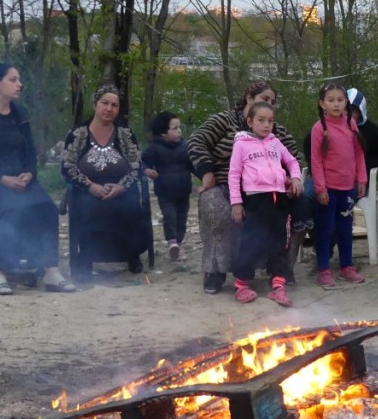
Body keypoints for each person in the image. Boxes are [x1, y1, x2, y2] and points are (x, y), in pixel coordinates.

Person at [0, 63, 75, 295]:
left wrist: (29, 173)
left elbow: (30, 152)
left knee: (47, 208)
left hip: (20, 179)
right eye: (13, 79)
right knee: (12, 208)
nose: (19, 84)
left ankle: (50, 271)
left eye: (19, 79)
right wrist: (2, 179)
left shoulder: (20, 115)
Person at [188, 81, 302, 295]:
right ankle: (216, 270)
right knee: (214, 206)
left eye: (272, 102)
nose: (269, 105)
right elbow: (196, 141)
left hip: (270, 190)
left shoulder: (276, 133)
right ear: (249, 98)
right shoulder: (225, 121)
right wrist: (206, 172)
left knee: (300, 205)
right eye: (264, 99)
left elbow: (295, 158)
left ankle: (280, 268)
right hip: (224, 185)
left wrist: (290, 178)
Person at [61, 83, 150, 281]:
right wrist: (89, 185)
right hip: (86, 188)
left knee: (131, 208)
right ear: (95, 105)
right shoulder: (78, 134)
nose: (109, 109)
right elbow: (67, 166)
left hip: (121, 187)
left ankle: (131, 254)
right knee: (89, 207)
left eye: (114, 105)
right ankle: (86, 256)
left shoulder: (125, 135)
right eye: (105, 103)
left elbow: (137, 165)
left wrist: (122, 186)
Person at [228, 102, 303, 307]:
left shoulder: (275, 142)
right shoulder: (241, 145)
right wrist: (236, 202)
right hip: (255, 199)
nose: (266, 125)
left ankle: (278, 284)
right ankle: (242, 284)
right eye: (261, 120)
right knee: (251, 241)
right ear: (250, 121)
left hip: (279, 197)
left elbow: (292, 162)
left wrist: (295, 178)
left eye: (270, 121)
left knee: (280, 241)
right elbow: (234, 174)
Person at [310, 82, 368, 288]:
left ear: (347, 103)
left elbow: (359, 154)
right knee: (325, 229)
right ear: (322, 103)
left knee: (345, 228)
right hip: (328, 189)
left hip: (348, 188)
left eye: (340, 100)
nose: (336, 104)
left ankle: (346, 267)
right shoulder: (319, 128)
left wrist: (362, 179)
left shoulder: (351, 125)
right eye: (331, 100)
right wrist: (320, 188)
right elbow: (315, 160)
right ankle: (324, 269)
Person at [142, 111, 195, 262]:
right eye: (174, 128)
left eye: (180, 127)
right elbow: (142, 162)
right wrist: (146, 170)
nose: (179, 131)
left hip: (184, 190)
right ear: (163, 133)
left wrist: (205, 177)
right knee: (170, 217)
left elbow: (193, 166)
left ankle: (178, 244)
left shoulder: (185, 147)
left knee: (182, 219)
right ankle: (172, 242)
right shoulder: (154, 148)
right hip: (165, 192)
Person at [346, 88, 378, 171]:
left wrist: (359, 165)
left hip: (362, 175)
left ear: (360, 110)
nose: (348, 114)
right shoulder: (332, 129)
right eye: (345, 109)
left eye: (352, 110)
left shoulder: (372, 130)